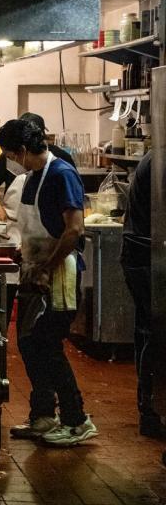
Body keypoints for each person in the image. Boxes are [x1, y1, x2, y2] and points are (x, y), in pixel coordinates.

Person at [0, 119, 97, 446]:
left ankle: (76, 420)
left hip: (58, 275)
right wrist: (25, 254)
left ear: (22, 150)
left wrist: (45, 266)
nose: (10, 160)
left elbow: (74, 229)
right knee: (28, 342)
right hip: (34, 271)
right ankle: (43, 416)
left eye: (10, 154)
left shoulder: (61, 174)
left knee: (47, 345)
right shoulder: (35, 177)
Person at [120, 152, 159, 436]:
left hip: (139, 253)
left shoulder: (153, 156)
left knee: (147, 330)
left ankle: (149, 408)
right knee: (155, 333)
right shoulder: (160, 160)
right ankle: (151, 408)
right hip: (147, 256)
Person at [0, 113, 75, 223]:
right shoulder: (28, 172)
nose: (12, 161)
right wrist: (0, 210)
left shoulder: (63, 171)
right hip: (16, 228)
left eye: (12, 157)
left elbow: (73, 227)